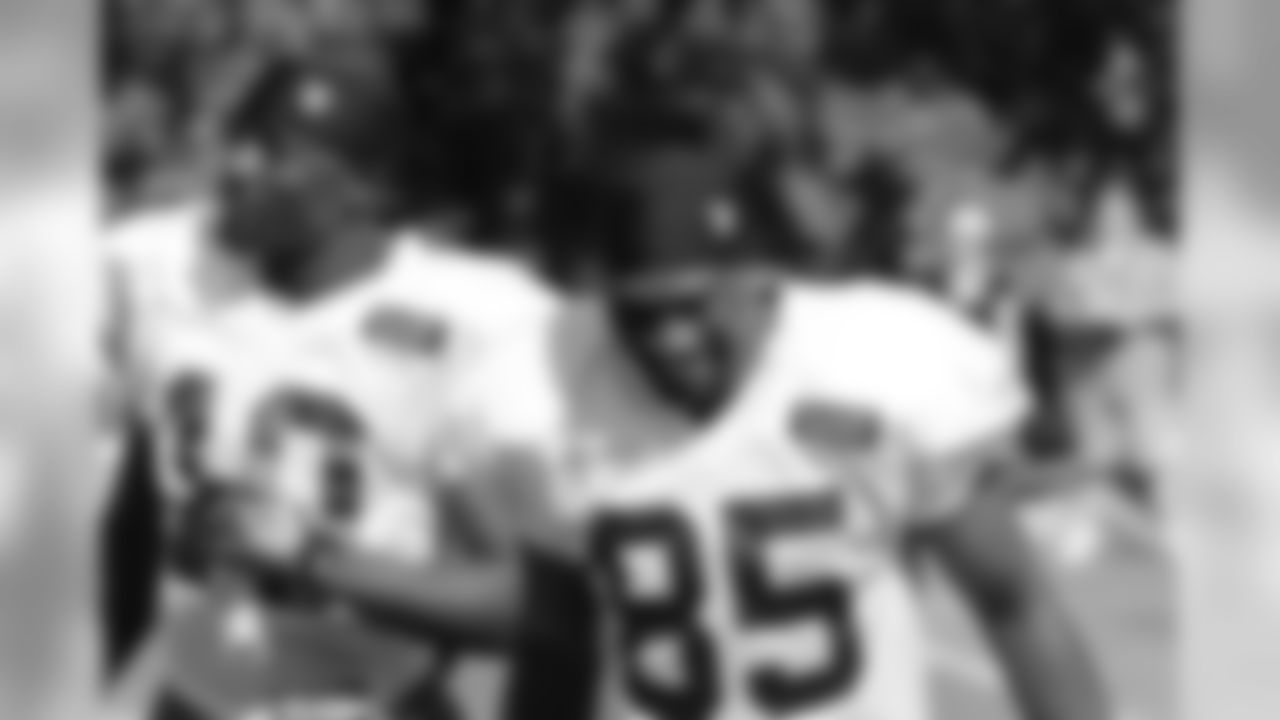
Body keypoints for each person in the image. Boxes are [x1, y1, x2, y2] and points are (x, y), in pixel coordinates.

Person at [227, 141, 1112, 720]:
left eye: (693, 308)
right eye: (639, 314)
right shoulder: (544, 387)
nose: (669, 339)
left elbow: (1016, 602)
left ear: (754, 279)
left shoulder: (880, 363)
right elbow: (560, 634)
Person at [100, 52, 558, 720]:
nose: (238, 166)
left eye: (276, 150)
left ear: (363, 191)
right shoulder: (156, 267)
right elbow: (138, 503)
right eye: (238, 137)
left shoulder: (469, 323)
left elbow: (538, 601)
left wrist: (318, 561)